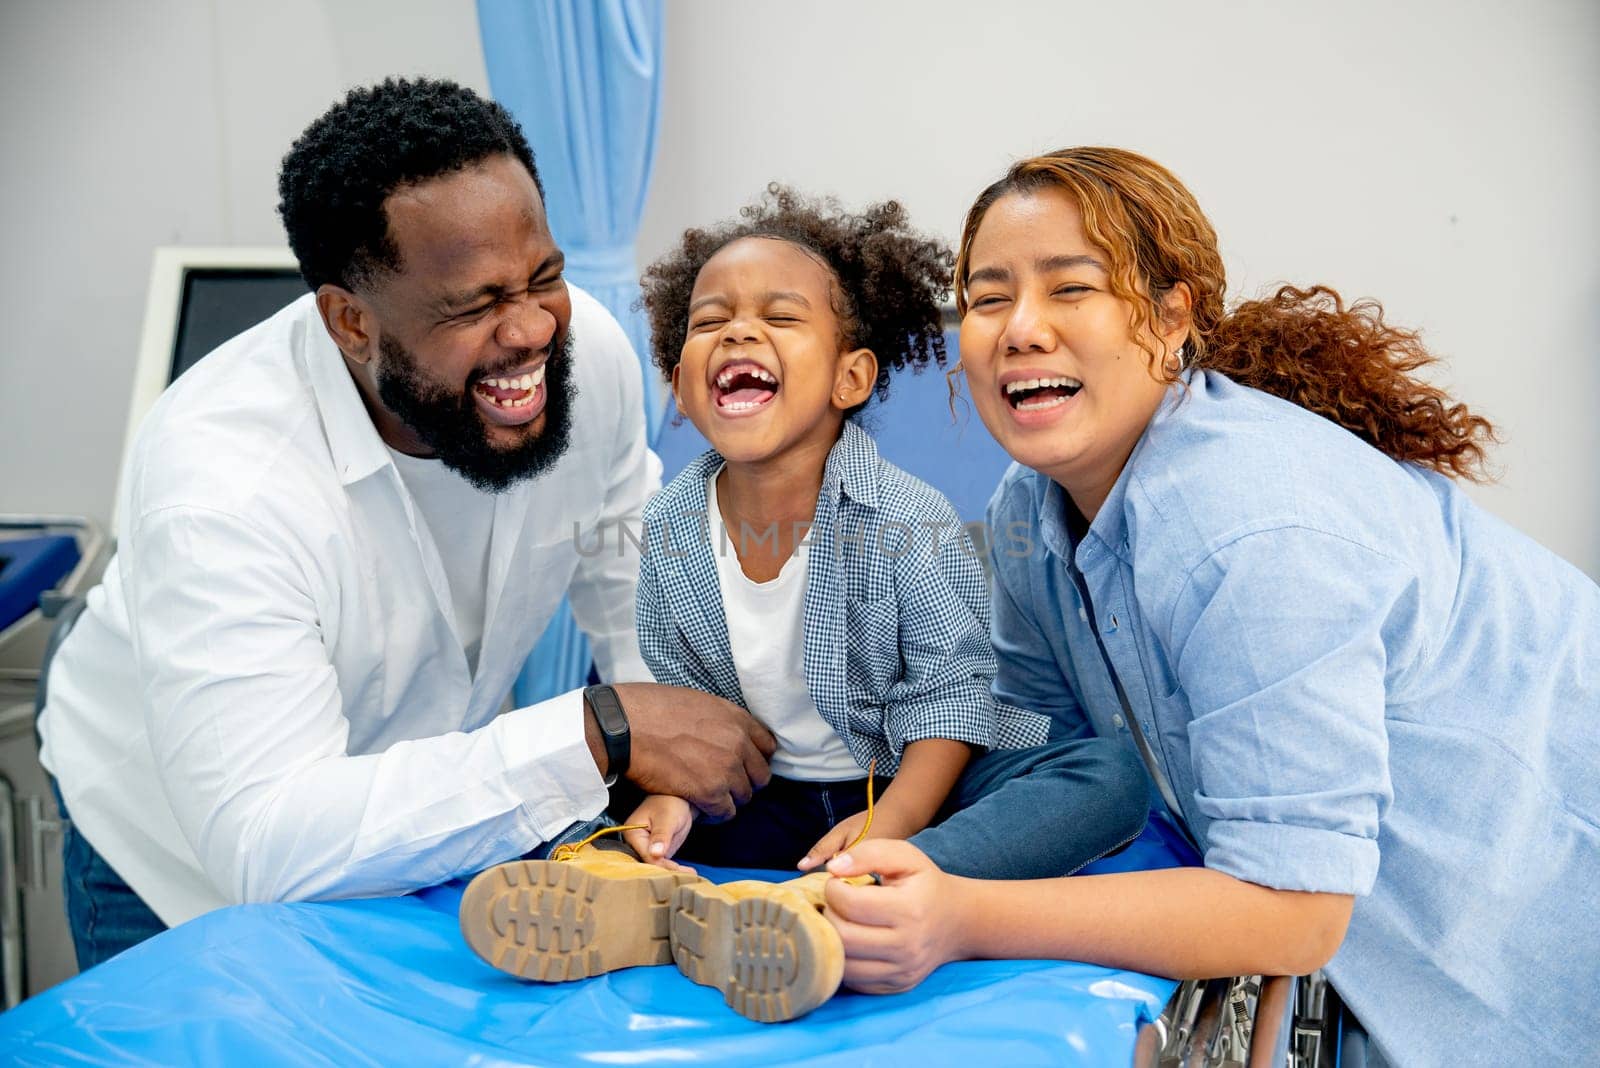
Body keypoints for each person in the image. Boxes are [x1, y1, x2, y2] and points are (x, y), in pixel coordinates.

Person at [818, 148, 1600, 1066]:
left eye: (1072, 288)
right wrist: (894, 840)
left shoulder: (1254, 532)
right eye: (989, 298)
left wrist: (958, 916)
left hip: (1540, 942)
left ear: (1169, 317)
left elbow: (1295, 911)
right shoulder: (1031, 514)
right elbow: (1064, 766)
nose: (1020, 328)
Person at [36, 78, 775, 970]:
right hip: (180, 855)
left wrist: (667, 774)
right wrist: (600, 732)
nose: (531, 330)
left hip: (412, 804)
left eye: (545, 278)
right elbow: (269, 844)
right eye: (474, 305)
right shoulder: (222, 483)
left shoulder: (589, 369)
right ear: (351, 322)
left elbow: (627, 576)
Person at [456, 187, 1148, 1023]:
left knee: (1105, 774)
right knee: (582, 781)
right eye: (710, 323)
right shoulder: (672, 522)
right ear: (680, 383)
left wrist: (892, 826)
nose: (738, 333)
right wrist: (672, 803)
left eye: (779, 319)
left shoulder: (906, 517)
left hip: (898, 782)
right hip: (759, 800)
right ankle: (636, 891)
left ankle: (863, 893)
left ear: (850, 377)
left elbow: (951, 701)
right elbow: (690, 709)